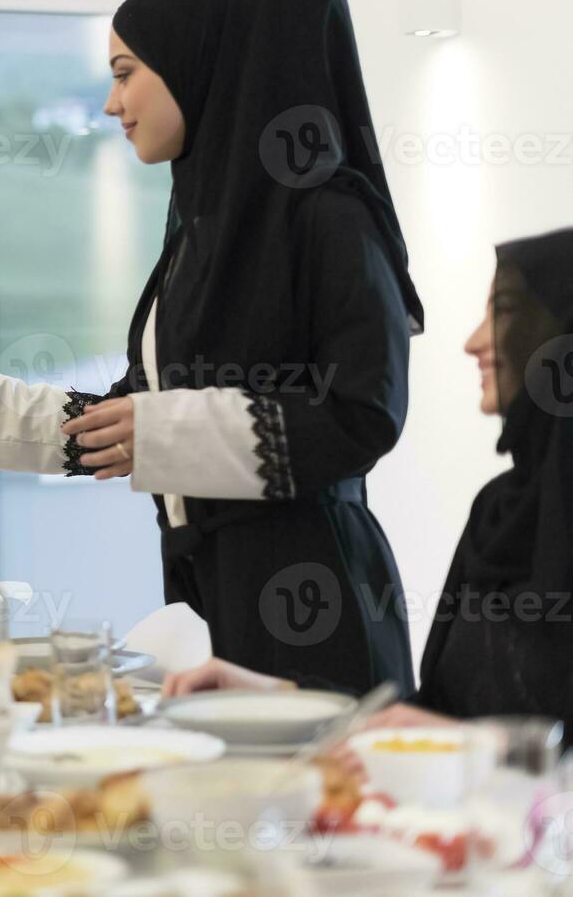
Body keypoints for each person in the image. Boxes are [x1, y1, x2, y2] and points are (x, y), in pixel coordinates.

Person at [0, 0, 424, 694]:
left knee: (309, 805)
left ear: (202, 65)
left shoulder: (332, 217)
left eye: (125, 73)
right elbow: (138, 415)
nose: (111, 104)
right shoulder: (205, 232)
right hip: (211, 587)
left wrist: (162, 432)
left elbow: (364, 412)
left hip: (312, 594)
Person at [165, 230, 573, 740]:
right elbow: (435, 715)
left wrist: (469, 745)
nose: (473, 342)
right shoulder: (499, 510)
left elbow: (463, 736)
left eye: (505, 311)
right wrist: (272, 696)